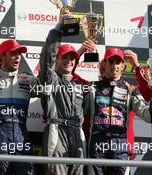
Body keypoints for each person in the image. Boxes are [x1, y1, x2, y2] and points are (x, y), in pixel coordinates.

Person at [84, 48, 152, 175]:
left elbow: (149, 117)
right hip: (96, 146)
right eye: (111, 62)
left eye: (118, 62)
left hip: (119, 147)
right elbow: (79, 115)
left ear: (122, 66)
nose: (114, 66)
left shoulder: (130, 90)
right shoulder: (92, 88)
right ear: (104, 64)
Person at [38, 9, 95, 174]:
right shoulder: (50, 79)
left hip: (78, 132)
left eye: (72, 58)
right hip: (56, 132)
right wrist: (58, 28)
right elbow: (47, 56)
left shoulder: (81, 84)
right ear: (57, 60)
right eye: (64, 58)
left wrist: (89, 49)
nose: (69, 61)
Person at [0, 39, 37, 175]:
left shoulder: (28, 79)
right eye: (13, 53)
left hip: (21, 137)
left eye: (19, 53)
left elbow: (50, 85)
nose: (18, 56)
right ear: (1, 56)